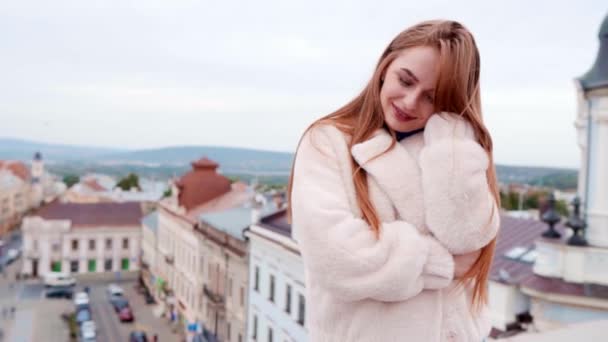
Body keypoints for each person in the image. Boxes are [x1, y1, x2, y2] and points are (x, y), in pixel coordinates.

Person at [289, 20, 500, 342]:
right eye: (406, 80)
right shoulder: (328, 142)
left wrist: (451, 143)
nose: (411, 102)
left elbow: (467, 240)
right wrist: (438, 262)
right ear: (386, 65)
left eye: (432, 96)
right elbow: (337, 257)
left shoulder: (456, 149)